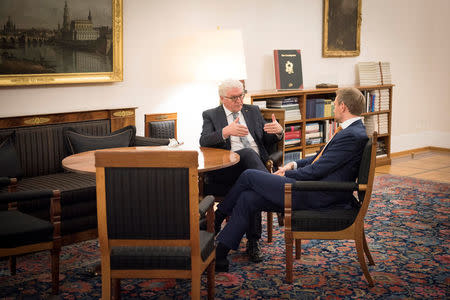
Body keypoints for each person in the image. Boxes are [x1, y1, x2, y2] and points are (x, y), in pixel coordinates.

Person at [214, 87, 369, 272]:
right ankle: (220, 255)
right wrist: (292, 166)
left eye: (335, 104)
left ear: (343, 107)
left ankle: (217, 217)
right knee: (248, 198)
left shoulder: (351, 135)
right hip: (315, 188)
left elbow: (317, 170)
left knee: (249, 176)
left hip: (318, 194)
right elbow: (318, 158)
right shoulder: (351, 131)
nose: (333, 108)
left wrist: (286, 175)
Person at [199, 79, 284, 263]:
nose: (239, 100)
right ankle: (276, 190)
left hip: (253, 169)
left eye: (241, 95)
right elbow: (204, 141)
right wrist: (226, 132)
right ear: (223, 98)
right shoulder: (211, 115)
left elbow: (266, 141)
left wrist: (278, 132)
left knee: (251, 187)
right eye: (234, 97)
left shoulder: (252, 111)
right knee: (247, 154)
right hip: (227, 168)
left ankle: (253, 242)